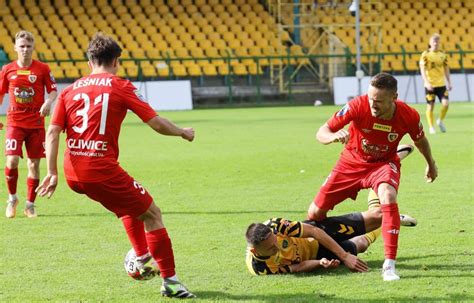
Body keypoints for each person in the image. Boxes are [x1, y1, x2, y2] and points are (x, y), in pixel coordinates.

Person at [36, 33, 195, 299]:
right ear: (117, 61)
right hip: (100, 170)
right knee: (153, 214)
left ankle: (141, 255)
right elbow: (155, 123)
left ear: (89, 62)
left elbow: (52, 134)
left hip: (72, 172)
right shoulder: (120, 85)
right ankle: (171, 282)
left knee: (128, 206)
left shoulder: (70, 90)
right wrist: (182, 132)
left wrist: (51, 173)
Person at [307, 73, 437, 281]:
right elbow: (323, 130)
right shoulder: (358, 105)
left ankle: (389, 266)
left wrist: (431, 163)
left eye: (378, 101)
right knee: (314, 215)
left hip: (383, 164)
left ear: (394, 97)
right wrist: (332, 137)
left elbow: (421, 141)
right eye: (370, 99)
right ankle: (386, 219)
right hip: (350, 162)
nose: (372, 105)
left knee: (387, 196)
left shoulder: (409, 115)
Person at [0, 30, 57, 218]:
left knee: (33, 165)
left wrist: (48, 102)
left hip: (36, 124)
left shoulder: (42, 69)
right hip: (15, 123)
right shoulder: (7, 70)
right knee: (12, 160)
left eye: (28, 46)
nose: (25, 50)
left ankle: (30, 205)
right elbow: (0, 93)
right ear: (15, 48)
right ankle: (12, 198)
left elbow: (53, 91)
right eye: (22, 46)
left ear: (33, 48)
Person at [246, 213, 379, 275]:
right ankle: (389, 222)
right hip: (316, 254)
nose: (277, 247)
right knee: (361, 244)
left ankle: (392, 214)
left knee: (374, 218)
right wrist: (320, 262)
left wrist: (344, 256)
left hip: (317, 232)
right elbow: (297, 267)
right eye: (271, 248)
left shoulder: (275, 225)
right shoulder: (261, 268)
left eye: (275, 241)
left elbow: (314, 231)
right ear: (255, 251)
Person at [419, 33, 452, 134]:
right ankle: (431, 127)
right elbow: (422, 70)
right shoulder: (425, 55)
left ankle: (440, 121)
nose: (436, 43)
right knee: (430, 106)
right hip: (430, 85)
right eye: (434, 41)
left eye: (437, 41)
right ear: (430, 43)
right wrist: (426, 82)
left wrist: (449, 82)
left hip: (441, 84)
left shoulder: (443, 55)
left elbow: (446, 69)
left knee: (446, 104)